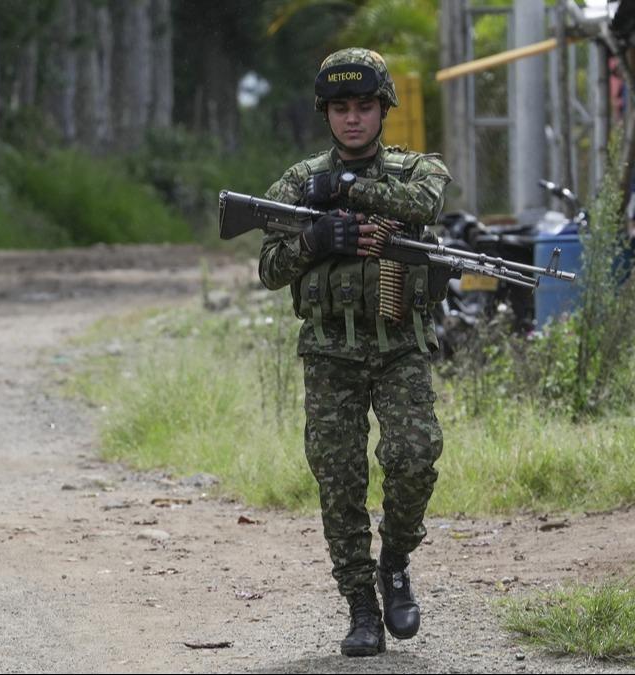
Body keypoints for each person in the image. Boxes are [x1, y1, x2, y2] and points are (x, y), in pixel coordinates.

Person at [257, 49, 451, 657]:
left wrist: (346, 190)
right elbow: (269, 268)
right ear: (326, 114)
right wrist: (316, 237)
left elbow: (427, 205)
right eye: (340, 108)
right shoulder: (295, 184)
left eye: (364, 106)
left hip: (400, 345)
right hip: (329, 351)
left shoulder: (417, 169)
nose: (352, 119)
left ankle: (394, 562)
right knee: (338, 480)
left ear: (383, 109)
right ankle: (361, 607)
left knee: (415, 455)